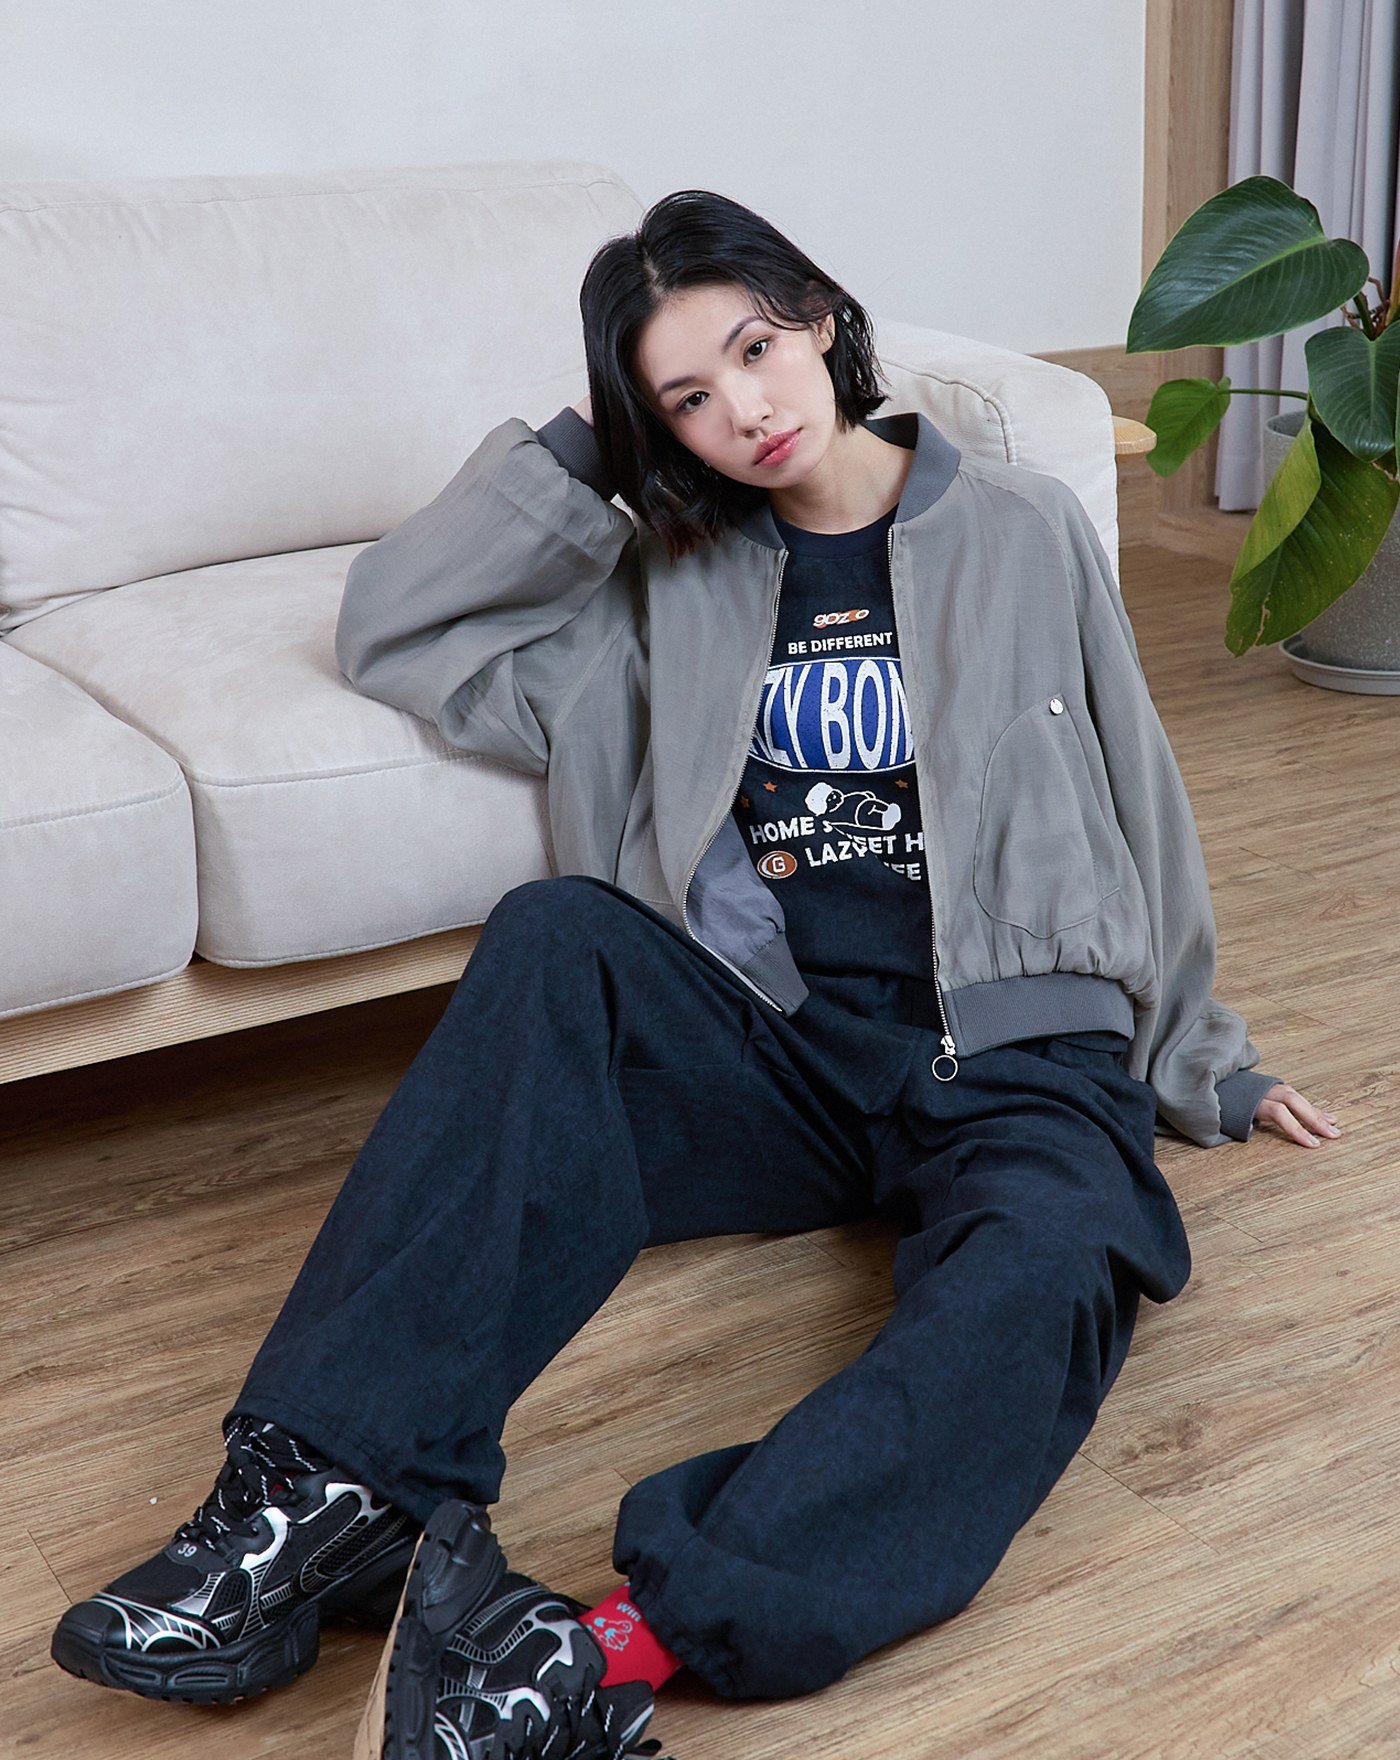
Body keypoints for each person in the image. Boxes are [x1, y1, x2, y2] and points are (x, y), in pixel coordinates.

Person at [50, 189, 1342, 1760]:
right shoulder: (661, 579)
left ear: (821, 320)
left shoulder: (1022, 530)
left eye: (754, 347)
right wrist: (593, 457)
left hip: (1017, 1062)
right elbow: (394, 628)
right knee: (558, 936)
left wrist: (1204, 1057)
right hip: (781, 1051)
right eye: (685, 396)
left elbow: (1142, 793)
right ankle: (315, 1509)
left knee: (1053, 1273)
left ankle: (602, 1654)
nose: (744, 406)